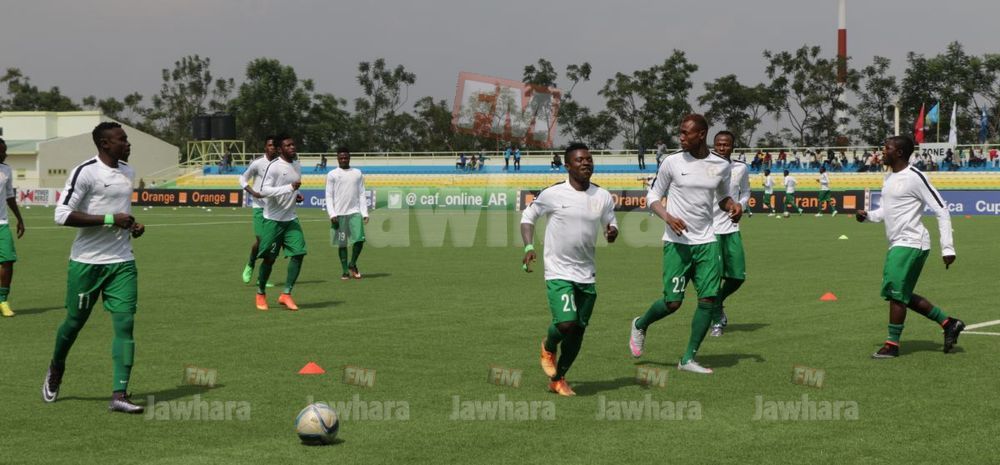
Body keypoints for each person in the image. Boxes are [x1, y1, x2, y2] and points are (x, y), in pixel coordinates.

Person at [43, 122, 146, 413]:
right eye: (122, 140)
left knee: (125, 324)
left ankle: (119, 394)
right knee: (74, 323)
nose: (127, 144)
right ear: (104, 144)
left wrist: (131, 224)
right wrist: (111, 220)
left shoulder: (128, 172)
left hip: (122, 262)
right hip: (87, 263)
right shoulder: (86, 172)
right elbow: (61, 215)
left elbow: (121, 212)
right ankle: (56, 366)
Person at [628, 114, 742, 374]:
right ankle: (640, 324)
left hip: (707, 241)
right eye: (680, 132)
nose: (680, 137)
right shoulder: (672, 162)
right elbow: (653, 196)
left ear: (701, 134)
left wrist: (733, 206)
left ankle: (688, 358)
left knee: (708, 299)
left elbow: (723, 197)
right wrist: (667, 217)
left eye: (685, 133)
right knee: (673, 303)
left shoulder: (720, 165)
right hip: (677, 243)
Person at [855, 136, 965, 359]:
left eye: (887, 148)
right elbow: (886, 211)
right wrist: (868, 216)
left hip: (912, 242)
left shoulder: (915, 177)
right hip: (898, 243)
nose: (882, 151)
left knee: (896, 293)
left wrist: (947, 248)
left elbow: (941, 209)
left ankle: (892, 345)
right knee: (900, 293)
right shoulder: (889, 177)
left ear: (899, 153)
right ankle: (948, 323)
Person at [522, 142, 618, 396]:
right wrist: (528, 246)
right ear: (567, 166)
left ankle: (558, 379)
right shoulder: (553, 193)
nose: (586, 163)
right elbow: (528, 217)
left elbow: (611, 222)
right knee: (566, 324)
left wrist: (612, 232)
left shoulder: (602, 196)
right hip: (558, 271)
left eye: (589, 159)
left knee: (578, 330)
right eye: (580, 160)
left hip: (587, 273)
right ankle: (548, 345)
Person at [254, 134, 306, 311]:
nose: (292, 147)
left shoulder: (297, 164)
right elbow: (264, 191)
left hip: (291, 218)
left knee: (299, 253)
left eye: (293, 144)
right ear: (280, 149)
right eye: (288, 145)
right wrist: (289, 189)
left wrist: (296, 195)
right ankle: (260, 293)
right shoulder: (274, 166)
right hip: (273, 220)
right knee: (269, 259)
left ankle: (286, 294)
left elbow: (292, 187)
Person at [709, 131, 749, 337]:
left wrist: (741, 205)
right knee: (713, 278)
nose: (722, 148)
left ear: (733, 147)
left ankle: (718, 302)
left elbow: (746, 192)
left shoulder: (740, 168)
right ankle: (717, 320)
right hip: (709, 230)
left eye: (726, 144)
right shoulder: (705, 167)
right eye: (718, 144)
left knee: (738, 276)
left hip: (731, 228)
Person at [239, 136, 279, 284]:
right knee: (262, 240)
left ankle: (262, 278)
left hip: (274, 209)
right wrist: (253, 192)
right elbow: (242, 179)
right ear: (265, 147)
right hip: (259, 207)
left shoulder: (280, 164)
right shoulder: (257, 163)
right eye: (270, 145)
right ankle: (250, 264)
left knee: (272, 244)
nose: (272, 147)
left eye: (274, 145)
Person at [325, 147, 369, 280]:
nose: (343, 160)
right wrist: (332, 214)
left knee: (359, 240)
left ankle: (352, 264)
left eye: (345, 157)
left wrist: (365, 213)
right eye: (341, 158)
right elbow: (329, 195)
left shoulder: (357, 173)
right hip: (339, 214)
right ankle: (345, 270)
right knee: (342, 243)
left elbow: (361, 193)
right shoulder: (332, 174)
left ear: (349, 158)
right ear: (337, 159)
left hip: (354, 212)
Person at [0, 138, 25, 317]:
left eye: (5, 150)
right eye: (2, 151)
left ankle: (3, 300)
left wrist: (19, 219)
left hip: (1, 223)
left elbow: (9, 196)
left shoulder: (6, 170)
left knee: (8, 260)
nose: (5, 154)